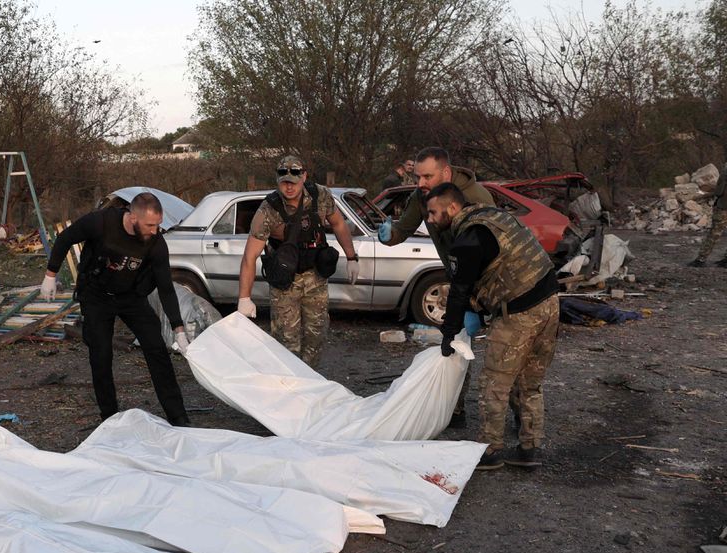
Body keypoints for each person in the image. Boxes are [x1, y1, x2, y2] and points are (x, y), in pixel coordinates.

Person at [425, 183, 560, 471]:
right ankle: (530, 448)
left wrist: (449, 334)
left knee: (494, 383)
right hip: (550, 304)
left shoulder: (467, 240)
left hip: (519, 314)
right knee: (530, 383)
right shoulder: (494, 215)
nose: (431, 219)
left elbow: (460, 291)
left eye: (434, 213)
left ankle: (491, 450)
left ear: (452, 208)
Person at [38, 192, 191, 426]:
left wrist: (178, 327)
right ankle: (109, 418)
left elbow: (166, 287)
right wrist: (51, 274)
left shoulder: (156, 243)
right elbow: (65, 238)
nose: (155, 230)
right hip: (96, 296)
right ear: (132, 218)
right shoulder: (100, 222)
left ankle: (178, 415)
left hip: (131, 297)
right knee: (101, 355)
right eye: (150, 225)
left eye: (158, 225)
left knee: (156, 349)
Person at [378, 146, 495, 427]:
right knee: (455, 341)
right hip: (457, 275)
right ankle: (454, 409)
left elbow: (492, 247)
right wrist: (388, 235)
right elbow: (404, 229)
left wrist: (480, 302)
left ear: (446, 172)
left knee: (504, 353)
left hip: (488, 278)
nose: (420, 184)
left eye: (427, 176)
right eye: (417, 177)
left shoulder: (476, 197)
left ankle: (513, 412)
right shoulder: (422, 196)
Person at [237, 155, 359, 367]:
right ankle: (289, 389)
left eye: (293, 182)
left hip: (316, 279)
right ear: (278, 181)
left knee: (316, 337)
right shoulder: (268, 209)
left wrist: (351, 257)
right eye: (284, 182)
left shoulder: (320, 196)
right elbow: (250, 255)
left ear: (304, 177)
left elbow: (339, 224)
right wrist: (244, 298)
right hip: (285, 282)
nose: (289, 187)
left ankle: (310, 384)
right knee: (286, 342)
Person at [688, 163, 727, 268]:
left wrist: (705, 195)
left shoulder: (725, 171)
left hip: (723, 207)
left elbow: (719, 191)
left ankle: (701, 259)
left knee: (714, 234)